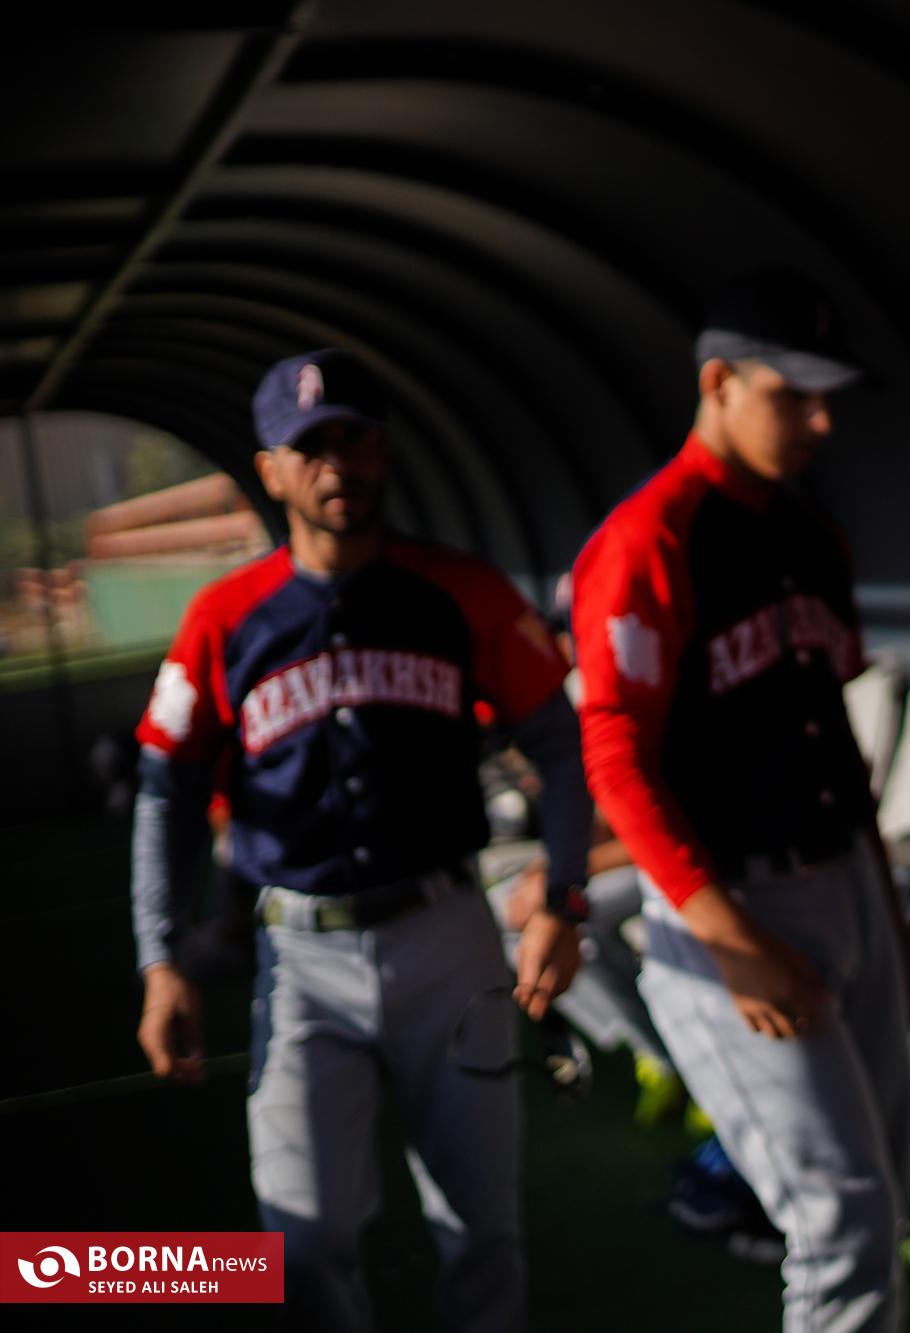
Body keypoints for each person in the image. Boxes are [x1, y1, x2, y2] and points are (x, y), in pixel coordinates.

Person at [130, 348, 592, 1333]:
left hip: (447, 934)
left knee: (484, 1228)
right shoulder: (224, 617)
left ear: (386, 452)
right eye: (312, 447)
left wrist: (562, 897)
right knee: (301, 1243)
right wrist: (160, 959)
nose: (338, 464)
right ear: (270, 470)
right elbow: (166, 790)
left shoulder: (460, 589)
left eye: (356, 439)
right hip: (300, 953)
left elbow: (560, 740)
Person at [571, 269, 910, 1333]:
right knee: (841, 1220)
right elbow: (615, 757)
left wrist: (890, 921)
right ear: (717, 382)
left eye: (829, 397)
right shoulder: (650, 538)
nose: (820, 421)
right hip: (734, 900)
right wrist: (729, 941)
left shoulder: (810, 534)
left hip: (845, 876)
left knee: (882, 1190)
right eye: (792, 393)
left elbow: (833, 740)